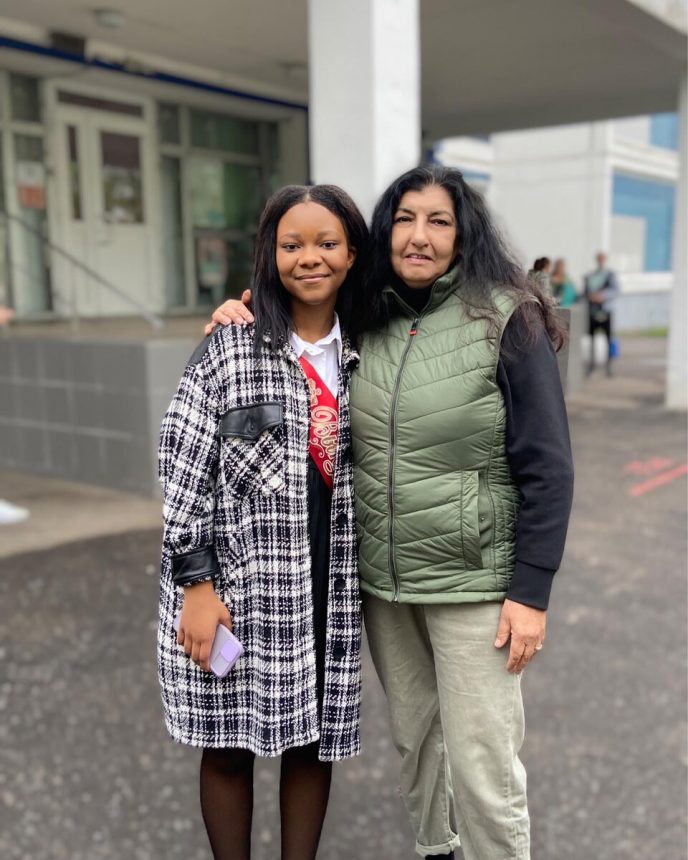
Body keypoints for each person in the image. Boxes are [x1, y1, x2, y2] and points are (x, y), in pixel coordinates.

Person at [210, 166, 574, 860]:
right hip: (384, 584)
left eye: (438, 221)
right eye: (405, 219)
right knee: (418, 751)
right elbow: (301, 313)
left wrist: (531, 591)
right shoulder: (367, 318)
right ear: (383, 233)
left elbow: (549, 466)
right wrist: (244, 308)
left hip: (473, 586)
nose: (419, 236)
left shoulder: (506, 316)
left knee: (483, 767)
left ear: (464, 234)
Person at [158, 184, 369, 860]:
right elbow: (180, 468)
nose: (310, 258)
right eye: (291, 244)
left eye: (327, 243)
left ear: (352, 254)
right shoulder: (230, 349)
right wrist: (196, 585)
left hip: (328, 587)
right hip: (240, 589)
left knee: (312, 744)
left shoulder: (370, 350)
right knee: (227, 746)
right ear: (269, 255)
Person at [583, 251, 619, 376]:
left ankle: (609, 367)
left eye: (602, 259)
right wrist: (591, 296)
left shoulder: (610, 275)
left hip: (606, 311)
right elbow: (585, 292)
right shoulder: (591, 276)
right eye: (599, 259)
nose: (601, 261)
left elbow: (616, 290)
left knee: (608, 339)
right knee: (591, 339)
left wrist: (602, 296)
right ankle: (591, 366)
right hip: (593, 311)